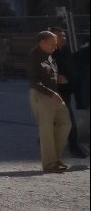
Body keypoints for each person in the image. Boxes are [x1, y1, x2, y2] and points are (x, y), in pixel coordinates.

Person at [29, 30, 72, 172]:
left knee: (65, 124)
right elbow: (34, 81)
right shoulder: (33, 57)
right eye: (52, 43)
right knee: (46, 129)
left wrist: (57, 78)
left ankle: (54, 159)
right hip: (41, 95)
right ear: (43, 42)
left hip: (53, 94)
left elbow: (48, 73)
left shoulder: (49, 54)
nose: (55, 46)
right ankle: (49, 164)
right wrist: (51, 93)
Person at [50, 27, 88, 158]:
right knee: (67, 119)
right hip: (55, 92)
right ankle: (73, 146)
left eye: (64, 36)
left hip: (67, 90)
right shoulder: (49, 53)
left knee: (60, 120)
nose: (63, 38)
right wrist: (57, 78)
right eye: (60, 36)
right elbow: (40, 73)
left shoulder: (66, 51)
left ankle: (50, 141)